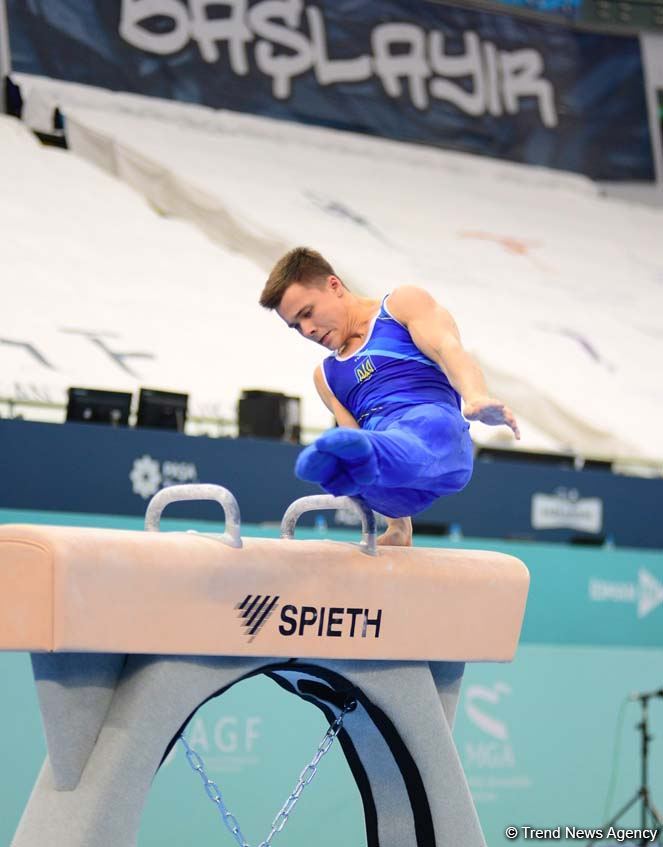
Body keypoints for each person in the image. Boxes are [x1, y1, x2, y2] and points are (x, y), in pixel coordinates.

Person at [259, 247, 520, 546]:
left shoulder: (400, 307)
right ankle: (359, 471)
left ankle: (363, 461)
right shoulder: (327, 377)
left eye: (307, 313)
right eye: (296, 326)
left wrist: (475, 397)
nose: (308, 330)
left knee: (407, 434)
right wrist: (399, 529)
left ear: (334, 286)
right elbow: (354, 435)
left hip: (437, 438)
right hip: (393, 485)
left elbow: (448, 348)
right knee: (358, 470)